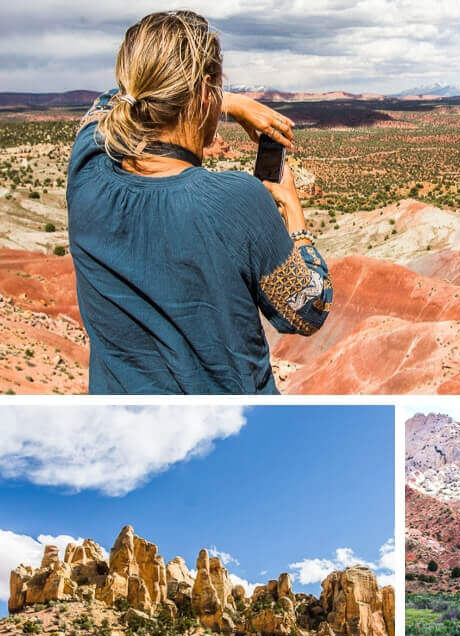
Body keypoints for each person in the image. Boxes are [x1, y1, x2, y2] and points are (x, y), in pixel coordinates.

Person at [67, 11, 331, 394]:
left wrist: (226, 100)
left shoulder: (87, 170)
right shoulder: (237, 201)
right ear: (204, 94)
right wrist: (293, 212)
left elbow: (112, 100)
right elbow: (309, 309)